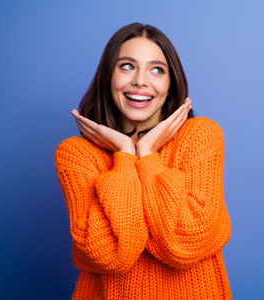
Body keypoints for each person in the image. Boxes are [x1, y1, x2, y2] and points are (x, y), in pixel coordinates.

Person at [54, 23, 232, 299]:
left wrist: (147, 154)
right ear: (107, 77)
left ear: (170, 84)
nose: (140, 80)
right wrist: (125, 154)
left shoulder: (201, 136)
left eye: (157, 69)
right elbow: (110, 255)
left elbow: (185, 242)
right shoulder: (77, 154)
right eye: (127, 66)